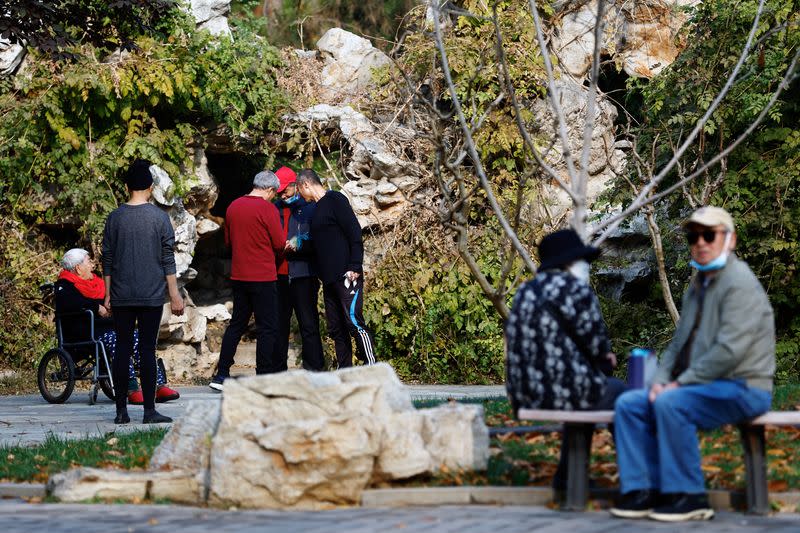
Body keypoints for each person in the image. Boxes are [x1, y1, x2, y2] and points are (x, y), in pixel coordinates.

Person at [610, 206, 775, 522]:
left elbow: (730, 351)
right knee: (630, 403)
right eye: (693, 236)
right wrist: (659, 379)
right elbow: (679, 344)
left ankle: (689, 496)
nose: (700, 242)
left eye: (709, 235)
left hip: (743, 387)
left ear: (731, 240)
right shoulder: (699, 284)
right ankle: (645, 489)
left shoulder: (740, 283)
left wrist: (678, 384)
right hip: (704, 385)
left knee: (672, 402)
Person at [505, 229, 624, 493]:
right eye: (582, 260)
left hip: (525, 394)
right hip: (565, 391)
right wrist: (605, 361)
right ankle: (638, 479)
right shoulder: (574, 289)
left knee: (587, 392)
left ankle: (568, 476)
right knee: (623, 395)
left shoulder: (526, 291)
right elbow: (599, 349)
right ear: (570, 262)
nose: (586, 266)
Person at [102, 159, 185, 424]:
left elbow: (107, 260)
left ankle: (121, 412)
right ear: (150, 187)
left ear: (127, 187)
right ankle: (149, 411)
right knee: (148, 350)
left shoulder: (114, 218)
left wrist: (107, 295)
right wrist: (174, 295)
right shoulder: (160, 218)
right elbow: (168, 260)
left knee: (123, 349)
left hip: (122, 295)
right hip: (151, 295)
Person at [54, 249, 180, 404]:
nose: (92, 265)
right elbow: (69, 303)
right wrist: (96, 307)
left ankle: (158, 385)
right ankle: (132, 388)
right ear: (78, 267)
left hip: (107, 327)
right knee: (120, 340)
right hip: (84, 331)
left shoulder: (97, 282)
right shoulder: (64, 285)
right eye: (88, 261)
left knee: (139, 337)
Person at [208, 170, 285, 391]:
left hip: (240, 275)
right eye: (274, 193)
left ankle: (221, 374)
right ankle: (262, 378)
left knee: (236, 325)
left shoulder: (233, 206)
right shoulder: (267, 209)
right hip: (263, 275)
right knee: (267, 327)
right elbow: (279, 244)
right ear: (270, 189)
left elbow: (229, 241)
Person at [295, 169, 376, 368]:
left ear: (306, 184)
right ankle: (345, 370)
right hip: (329, 279)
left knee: (353, 322)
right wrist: (297, 245)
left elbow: (354, 231)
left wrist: (355, 265)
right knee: (336, 328)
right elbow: (318, 244)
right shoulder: (316, 210)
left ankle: (372, 367)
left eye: (299, 190)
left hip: (347, 274)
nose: (299, 195)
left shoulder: (335, 200)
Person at [276, 167, 325, 371]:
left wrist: (299, 244)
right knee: (279, 326)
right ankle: (276, 371)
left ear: (295, 185)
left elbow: (318, 238)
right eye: (278, 191)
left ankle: (314, 369)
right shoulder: (274, 208)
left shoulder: (310, 207)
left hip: (304, 273)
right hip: (279, 274)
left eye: (285, 190)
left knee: (308, 324)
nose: (282, 194)